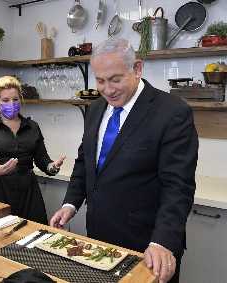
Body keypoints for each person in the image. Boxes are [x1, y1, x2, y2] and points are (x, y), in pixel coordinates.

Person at [50, 38, 198, 283]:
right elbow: (85, 162)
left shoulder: (172, 112)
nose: (108, 89)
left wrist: (162, 241)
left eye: (115, 79)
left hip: (148, 245)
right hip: (99, 238)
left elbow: (178, 187)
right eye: (100, 81)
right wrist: (70, 205)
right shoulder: (96, 109)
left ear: (137, 69)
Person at [0, 76, 65, 225]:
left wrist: (52, 167)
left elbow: (42, 160)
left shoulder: (32, 127)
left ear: (20, 100)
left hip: (28, 194)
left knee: (32, 238)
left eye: (15, 99)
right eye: (6, 100)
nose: (12, 104)